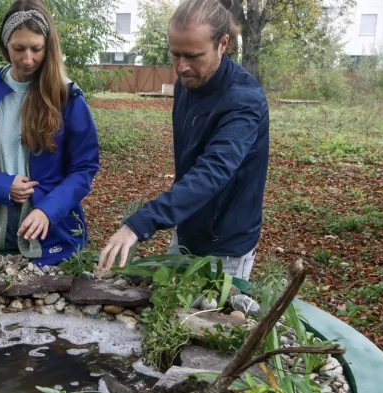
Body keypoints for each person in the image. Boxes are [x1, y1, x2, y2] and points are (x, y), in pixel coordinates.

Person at [97, 0, 269, 280]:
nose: (181, 67)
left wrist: (141, 221)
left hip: (224, 246)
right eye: (175, 55)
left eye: (193, 55)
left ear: (222, 44)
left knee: (206, 322)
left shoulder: (242, 100)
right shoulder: (187, 85)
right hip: (186, 226)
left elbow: (214, 170)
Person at [0, 0, 100, 265]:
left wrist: (47, 210)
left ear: (48, 46)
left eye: (36, 49)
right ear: (6, 45)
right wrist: (2, 185)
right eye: (19, 48)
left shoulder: (67, 98)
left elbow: (84, 167)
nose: (27, 59)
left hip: (55, 235)